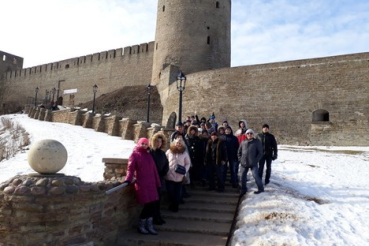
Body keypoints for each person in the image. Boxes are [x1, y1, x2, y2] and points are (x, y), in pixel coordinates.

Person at [124, 138, 161, 235]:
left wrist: (158, 183)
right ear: (139, 144)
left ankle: (149, 225)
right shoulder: (134, 155)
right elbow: (130, 169)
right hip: (142, 183)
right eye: (142, 143)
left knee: (153, 205)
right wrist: (128, 179)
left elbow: (154, 170)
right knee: (147, 205)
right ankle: (141, 226)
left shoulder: (148, 155)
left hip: (151, 183)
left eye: (146, 144)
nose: (144, 145)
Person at [165, 137, 191, 212]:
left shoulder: (184, 153)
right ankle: (173, 204)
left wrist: (184, 171)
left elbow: (188, 163)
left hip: (180, 176)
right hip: (170, 175)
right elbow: (165, 160)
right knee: (170, 192)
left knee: (177, 193)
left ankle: (175, 206)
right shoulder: (169, 151)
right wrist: (166, 170)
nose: (178, 144)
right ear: (174, 143)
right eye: (177, 143)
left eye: (179, 143)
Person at [150, 133, 169, 225]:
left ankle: (157, 216)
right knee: (153, 200)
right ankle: (154, 217)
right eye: (157, 141)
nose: (159, 143)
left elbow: (166, 164)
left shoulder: (162, 153)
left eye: (160, 142)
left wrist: (164, 172)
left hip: (160, 178)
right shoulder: (150, 152)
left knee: (158, 199)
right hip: (153, 179)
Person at [238, 129, 264, 195]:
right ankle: (243, 189)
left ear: (253, 134)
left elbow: (260, 153)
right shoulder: (243, 142)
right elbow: (239, 152)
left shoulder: (257, 142)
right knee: (242, 176)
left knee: (255, 175)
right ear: (246, 135)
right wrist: (240, 159)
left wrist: (256, 160)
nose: (249, 135)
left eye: (251, 133)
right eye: (248, 133)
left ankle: (261, 188)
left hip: (253, 163)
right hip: (244, 162)